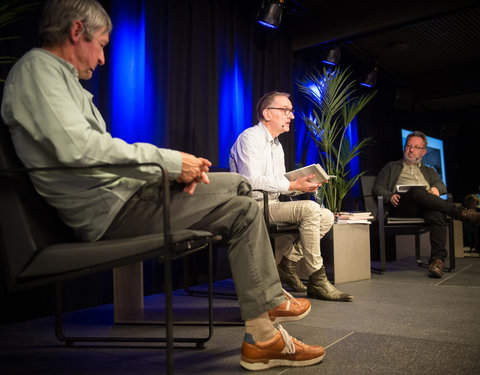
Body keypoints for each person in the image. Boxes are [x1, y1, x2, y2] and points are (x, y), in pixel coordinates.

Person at [0, 0, 326, 370]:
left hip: (122, 200)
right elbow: (81, 149)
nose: (103, 58)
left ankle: (262, 332)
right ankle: (267, 313)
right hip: (111, 213)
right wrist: (171, 164)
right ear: (77, 32)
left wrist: (170, 177)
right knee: (241, 198)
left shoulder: (54, 78)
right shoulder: (38, 71)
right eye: (102, 44)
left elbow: (90, 157)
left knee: (239, 197)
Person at [230, 91, 353, 302]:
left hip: (272, 203)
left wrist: (302, 186)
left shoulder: (277, 146)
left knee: (325, 215)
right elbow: (250, 181)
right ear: (267, 113)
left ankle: (287, 263)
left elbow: (279, 184)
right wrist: (291, 184)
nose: (292, 116)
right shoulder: (250, 138)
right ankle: (317, 278)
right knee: (310, 209)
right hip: (251, 206)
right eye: (286, 110)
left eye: (291, 111)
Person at [373, 130, 480, 278]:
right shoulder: (391, 166)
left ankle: (437, 261)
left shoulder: (429, 170)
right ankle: (460, 213)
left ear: (423, 152)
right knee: (417, 191)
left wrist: (436, 189)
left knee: (437, 214)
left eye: (416, 147)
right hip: (401, 207)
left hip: (425, 207)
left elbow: (441, 185)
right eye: (408, 146)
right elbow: (378, 187)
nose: (411, 150)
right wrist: (389, 195)